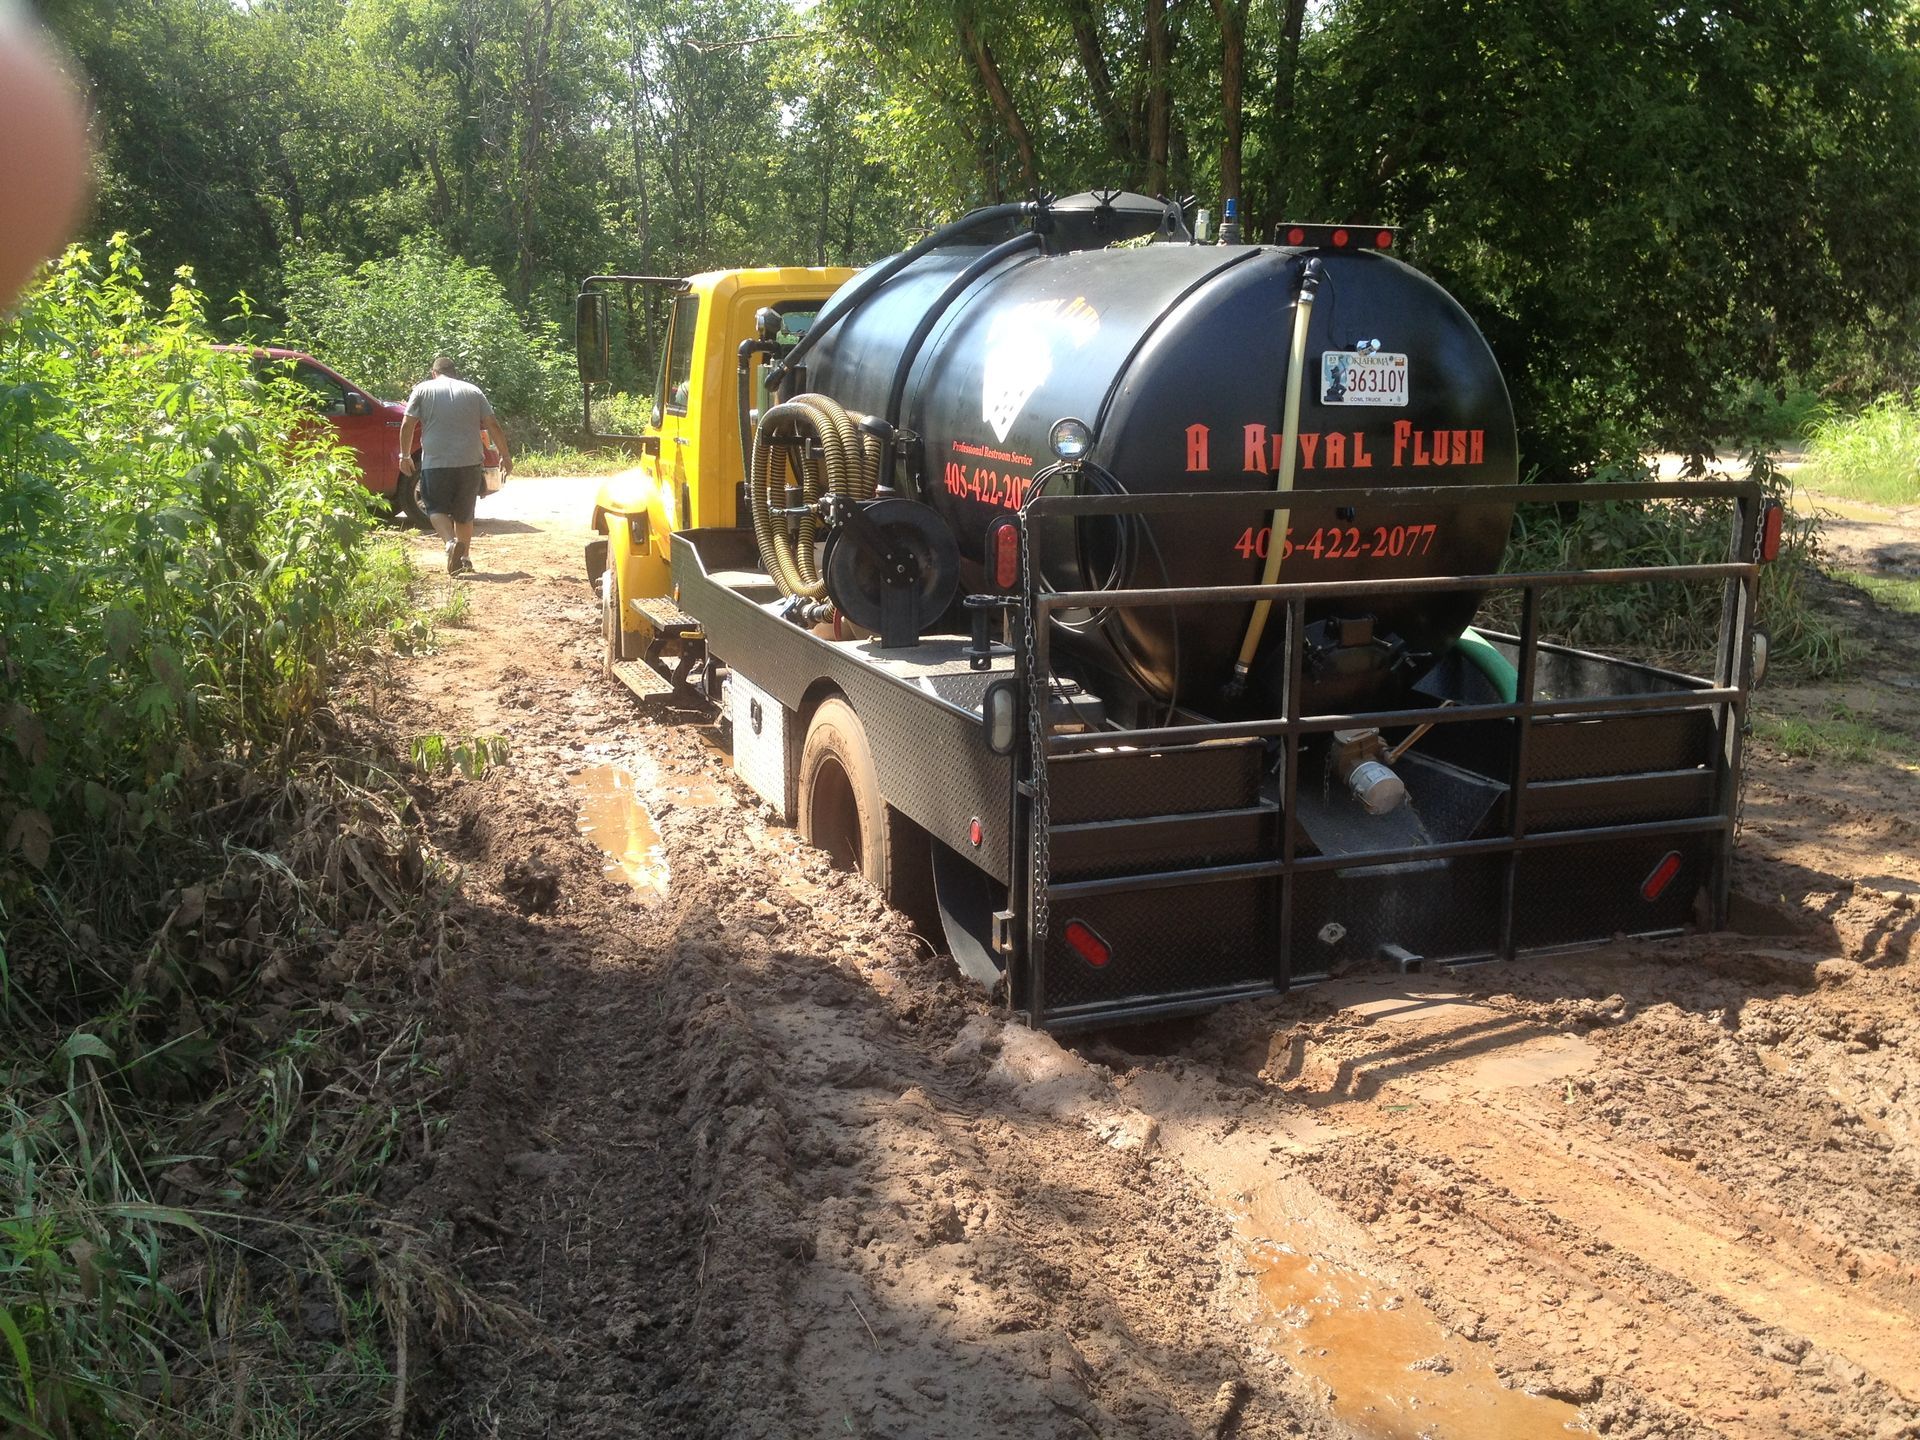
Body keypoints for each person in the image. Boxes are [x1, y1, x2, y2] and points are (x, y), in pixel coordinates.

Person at [398, 356, 512, 574]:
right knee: (464, 512)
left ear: (434, 373)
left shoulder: (422, 390)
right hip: (470, 461)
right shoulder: (473, 391)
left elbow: (407, 423)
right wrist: (505, 456)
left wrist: (404, 455)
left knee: (435, 507)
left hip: (435, 461)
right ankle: (465, 558)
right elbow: (492, 424)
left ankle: (450, 544)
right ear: (455, 373)